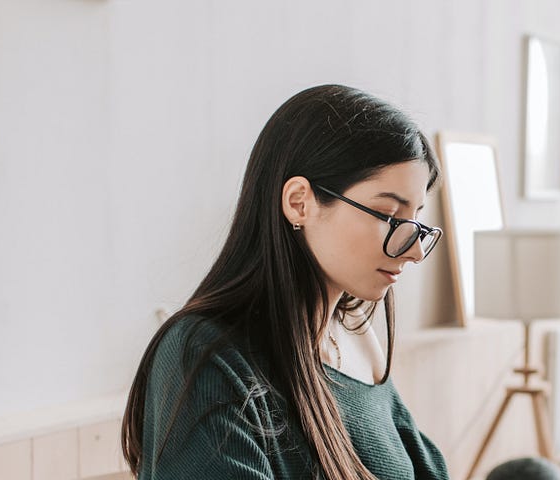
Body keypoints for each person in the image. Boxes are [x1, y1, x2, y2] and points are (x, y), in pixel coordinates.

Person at [120, 84, 450, 480]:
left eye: (416, 221)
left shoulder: (356, 338)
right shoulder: (208, 358)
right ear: (299, 202)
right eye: (389, 216)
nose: (413, 250)